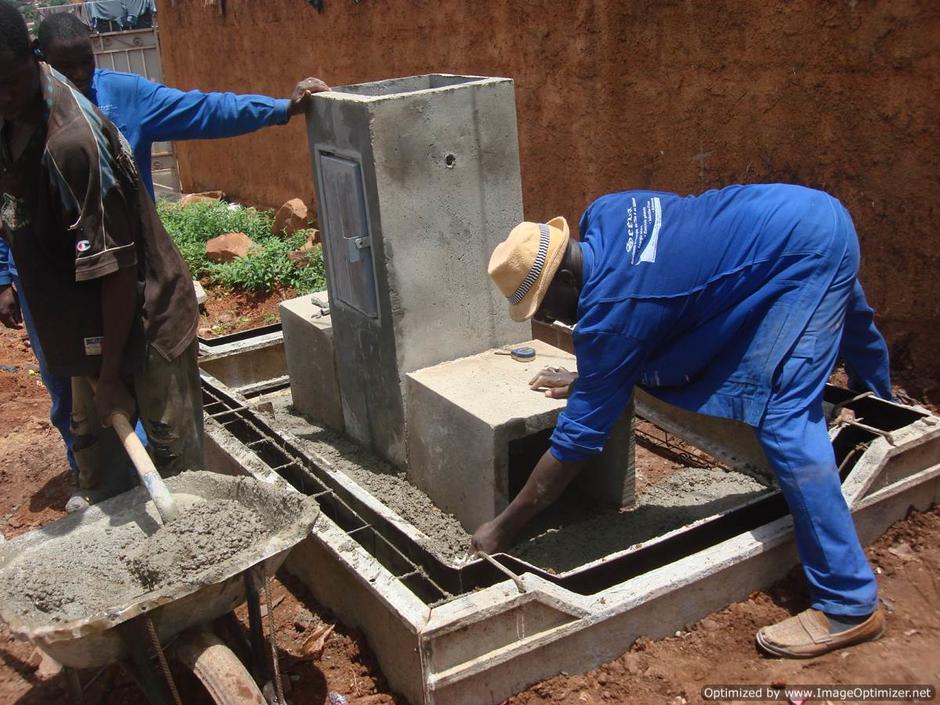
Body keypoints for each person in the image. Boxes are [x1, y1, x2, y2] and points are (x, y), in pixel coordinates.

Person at [476, 183, 892, 658]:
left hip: (799, 256)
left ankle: (848, 604)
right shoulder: (607, 213)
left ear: (567, 282)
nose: (553, 322)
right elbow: (657, 289)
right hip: (804, 212)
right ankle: (881, 401)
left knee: (783, 416)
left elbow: (576, 443)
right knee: (844, 304)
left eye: (547, 310)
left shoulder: (615, 318)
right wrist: (594, 376)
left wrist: (504, 528)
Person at [0, 10, 328, 497]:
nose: (80, 79)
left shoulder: (88, 130)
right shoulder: (15, 118)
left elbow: (206, 110)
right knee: (82, 422)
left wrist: (280, 109)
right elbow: (12, 208)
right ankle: (104, 488)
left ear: (32, 61)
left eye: (86, 66)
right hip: (66, 305)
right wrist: (5, 274)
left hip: (135, 294)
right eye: (68, 69)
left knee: (169, 445)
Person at [0, 0, 203, 503]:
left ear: (32, 57)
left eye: (9, 80)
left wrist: (110, 376)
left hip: (142, 316)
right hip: (82, 325)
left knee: (181, 481)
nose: (1, 97)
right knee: (103, 478)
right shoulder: (8, 118)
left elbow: (117, 272)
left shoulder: (72, 142)